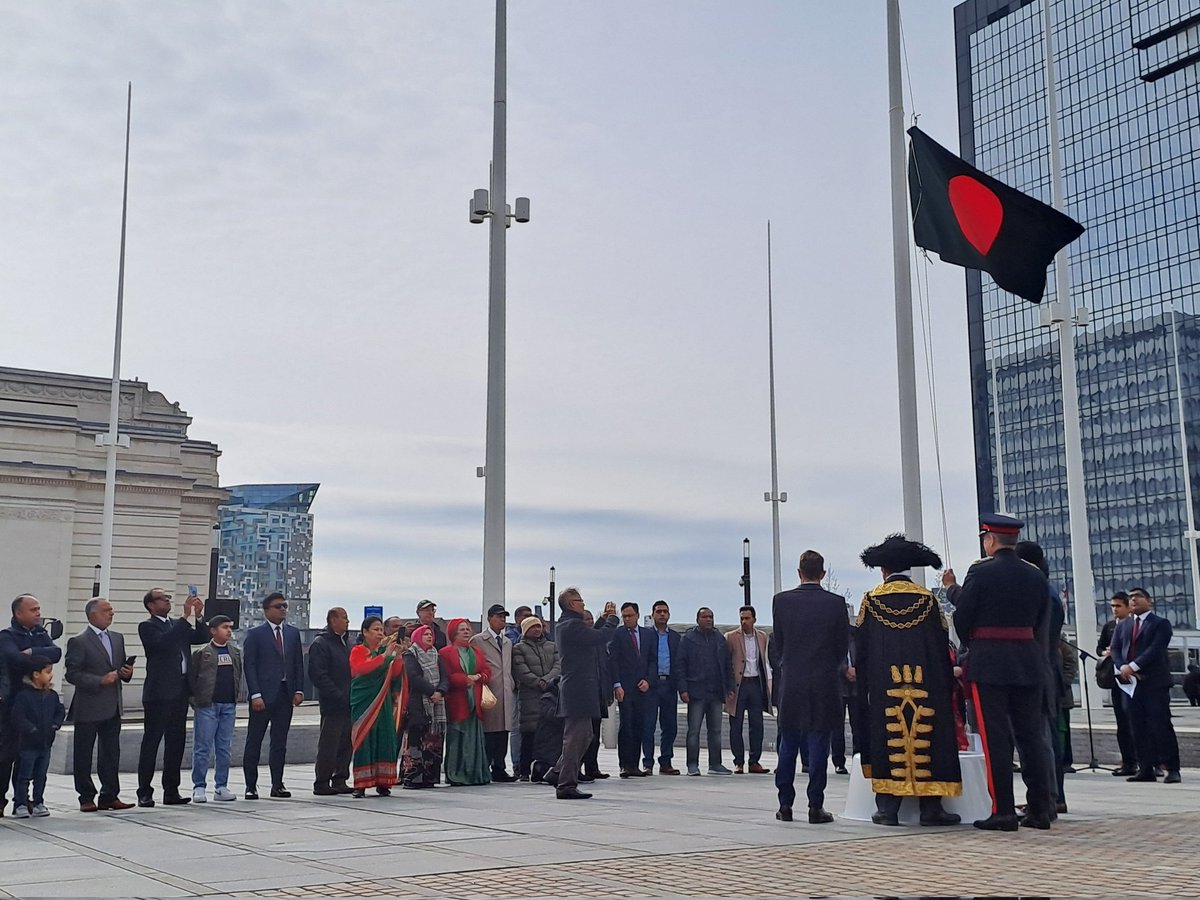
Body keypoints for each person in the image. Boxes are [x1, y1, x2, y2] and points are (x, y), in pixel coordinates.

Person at [952, 514, 1055, 831]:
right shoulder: (1036, 576)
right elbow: (1041, 619)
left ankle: (1004, 812)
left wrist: (972, 644)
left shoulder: (979, 572)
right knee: (1031, 739)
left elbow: (963, 616)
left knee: (996, 740)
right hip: (1028, 660)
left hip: (990, 662)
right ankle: (1040, 810)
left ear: (990, 541)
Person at [857, 536, 962, 827]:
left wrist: (863, 687)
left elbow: (861, 653)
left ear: (883, 570)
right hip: (925, 684)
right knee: (930, 738)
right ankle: (931, 807)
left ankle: (888, 808)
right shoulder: (927, 600)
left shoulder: (870, 601)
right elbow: (942, 649)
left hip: (884, 687)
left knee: (886, 738)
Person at [770, 550, 848, 825]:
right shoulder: (836, 603)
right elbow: (842, 646)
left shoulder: (781, 601)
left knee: (788, 743)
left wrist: (790, 664)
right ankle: (816, 805)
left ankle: (785, 804)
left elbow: (778, 643)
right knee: (818, 745)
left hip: (792, 681)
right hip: (824, 682)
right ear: (823, 573)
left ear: (799, 572)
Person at [136, 586, 209, 807]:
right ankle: (144, 791)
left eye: (168, 598)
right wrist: (185, 617)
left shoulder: (177, 625)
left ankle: (171, 790)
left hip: (180, 691)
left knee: (175, 743)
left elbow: (201, 636)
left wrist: (198, 616)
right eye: (163, 599)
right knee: (152, 741)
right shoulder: (148, 626)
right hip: (159, 693)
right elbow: (163, 643)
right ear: (151, 605)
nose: (168, 601)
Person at [1014, 539, 1069, 817]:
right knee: (1042, 737)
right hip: (1043, 668)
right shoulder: (1043, 589)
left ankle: (1049, 797)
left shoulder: (1041, 592)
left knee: (1041, 738)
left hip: (1038, 669)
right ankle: (1049, 795)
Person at [64, 598, 134, 813]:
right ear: (93, 614)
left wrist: (126, 673)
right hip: (89, 705)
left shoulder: (117, 638)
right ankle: (86, 796)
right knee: (84, 753)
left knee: (111, 752)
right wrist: (99, 680)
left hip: (112, 705)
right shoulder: (79, 641)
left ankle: (109, 795)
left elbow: (120, 667)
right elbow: (72, 674)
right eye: (106, 611)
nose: (111, 614)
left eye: (112, 610)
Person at [549, 589, 618, 799]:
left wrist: (602, 620)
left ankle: (557, 772)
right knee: (576, 737)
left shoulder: (567, 625)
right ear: (571, 604)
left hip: (578, 688)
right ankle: (566, 784)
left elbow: (591, 637)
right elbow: (600, 637)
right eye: (579, 601)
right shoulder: (572, 625)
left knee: (584, 734)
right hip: (578, 689)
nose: (582, 603)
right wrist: (613, 620)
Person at [1109, 586, 1181, 784]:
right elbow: (1115, 648)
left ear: (1149, 601)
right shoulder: (1123, 625)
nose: (1133, 600)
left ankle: (1172, 768)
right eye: (1131, 597)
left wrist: (1133, 665)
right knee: (1136, 726)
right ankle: (1145, 768)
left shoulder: (1160, 624)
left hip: (1154, 683)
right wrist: (1122, 665)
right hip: (1130, 685)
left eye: (1138, 597)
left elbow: (1155, 649)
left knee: (1160, 725)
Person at [0, 594, 62, 814]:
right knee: (6, 755)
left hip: (37, 702)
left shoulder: (40, 634)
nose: (38, 613)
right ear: (18, 613)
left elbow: (55, 653)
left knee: (26, 757)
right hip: (10, 703)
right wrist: (37, 658)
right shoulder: (7, 636)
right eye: (33, 609)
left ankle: (23, 800)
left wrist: (32, 652)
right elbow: (12, 658)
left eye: (38, 608)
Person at [241, 592, 305, 800]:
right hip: (263, 696)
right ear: (267, 610)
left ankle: (277, 784)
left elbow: (297, 664)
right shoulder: (256, 634)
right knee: (255, 741)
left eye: (285, 606)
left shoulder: (293, 634)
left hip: (285, 695)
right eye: (279, 606)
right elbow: (249, 666)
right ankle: (251, 785)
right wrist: (255, 694)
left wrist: (298, 690)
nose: (283, 609)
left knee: (279, 742)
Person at [349, 616, 407, 797]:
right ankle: (361, 784)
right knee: (364, 739)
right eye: (375, 629)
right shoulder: (358, 650)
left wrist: (396, 656)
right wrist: (385, 656)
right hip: (364, 701)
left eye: (381, 629)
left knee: (385, 738)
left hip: (384, 702)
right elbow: (362, 669)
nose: (380, 633)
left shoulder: (385, 650)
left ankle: (384, 782)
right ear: (365, 632)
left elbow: (396, 673)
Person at [188, 614, 242, 803]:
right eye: (224, 627)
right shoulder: (203, 652)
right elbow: (193, 677)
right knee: (202, 747)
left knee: (224, 748)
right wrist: (195, 700)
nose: (228, 630)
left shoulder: (235, 652)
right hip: (207, 705)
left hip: (228, 705)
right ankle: (199, 786)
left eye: (230, 627)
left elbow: (238, 675)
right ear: (213, 630)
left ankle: (221, 786)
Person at [677, 607, 734, 776]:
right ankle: (692, 765)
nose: (708, 620)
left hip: (716, 692)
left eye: (711, 617)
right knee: (694, 730)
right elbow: (680, 665)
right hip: (696, 692)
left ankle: (715, 764)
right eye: (705, 617)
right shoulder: (688, 639)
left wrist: (729, 687)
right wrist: (683, 689)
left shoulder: (719, 638)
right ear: (697, 619)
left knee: (715, 730)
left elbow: (727, 664)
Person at [8, 656, 64, 818]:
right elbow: (18, 716)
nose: (51, 675)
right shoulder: (23, 696)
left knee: (41, 775)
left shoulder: (52, 695)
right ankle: (20, 803)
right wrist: (31, 729)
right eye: (47, 672)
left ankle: (39, 801)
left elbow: (59, 711)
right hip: (27, 744)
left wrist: (55, 725)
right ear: (36, 674)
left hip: (46, 743)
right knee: (23, 776)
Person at [440, 618, 492, 786]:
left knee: (474, 737)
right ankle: (456, 773)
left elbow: (486, 670)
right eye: (461, 629)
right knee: (457, 737)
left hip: (474, 699)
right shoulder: (446, 652)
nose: (466, 631)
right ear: (454, 633)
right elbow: (446, 675)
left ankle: (475, 773)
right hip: (458, 699)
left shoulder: (475, 651)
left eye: (467, 629)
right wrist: (464, 679)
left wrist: (478, 677)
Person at [308, 607, 354, 796]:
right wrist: (337, 694)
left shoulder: (346, 643)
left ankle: (340, 778)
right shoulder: (321, 643)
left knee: (346, 743)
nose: (347, 621)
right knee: (329, 744)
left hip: (349, 703)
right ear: (333, 620)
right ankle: (322, 781)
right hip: (333, 704)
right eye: (344, 618)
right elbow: (318, 675)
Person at [608, 602, 656, 778]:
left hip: (642, 687)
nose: (627, 619)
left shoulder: (648, 634)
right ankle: (625, 764)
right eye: (624, 616)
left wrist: (648, 680)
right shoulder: (618, 634)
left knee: (639, 725)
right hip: (625, 688)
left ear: (637, 615)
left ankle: (635, 764)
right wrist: (617, 684)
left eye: (630, 615)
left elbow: (652, 660)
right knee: (626, 725)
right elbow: (613, 660)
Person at [470, 604, 516, 781]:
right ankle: (486, 764)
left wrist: (510, 683)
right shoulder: (479, 640)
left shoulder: (507, 642)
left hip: (505, 690)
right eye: (499, 616)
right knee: (489, 730)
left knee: (504, 730)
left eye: (504, 616)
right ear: (489, 618)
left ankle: (500, 766)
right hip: (488, 690)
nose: (502, 620)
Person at [725, 605, 772, 776]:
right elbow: (727, 664)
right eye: (741, 618)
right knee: (735, 724)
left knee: (757, 724)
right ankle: (738, 761)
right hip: (739, 685)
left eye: (747, 618)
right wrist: (728, 686)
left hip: (755, 684)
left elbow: (764, 661)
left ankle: (754, 761)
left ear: (754, 619)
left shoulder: (762, 636)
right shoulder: (731, 637)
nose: (744, 622)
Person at [401, 624, 449, 789]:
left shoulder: (437, 654)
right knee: (416, 740)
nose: (429, 636)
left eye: (431, 634)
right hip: (418, 703)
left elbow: (445, 676)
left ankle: (430, 777)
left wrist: (440, 691)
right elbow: (413, 677)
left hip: (436, 704)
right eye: (425, 634)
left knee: (433, 741)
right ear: (417, 637)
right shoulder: (410, 654)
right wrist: (431, 692)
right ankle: (413, 777)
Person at [511, 617, 559, 781]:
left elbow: (558, 666)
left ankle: (545, 768)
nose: (537, 630)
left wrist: (548, 681)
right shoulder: (519, 648)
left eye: (539, 626)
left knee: (549, 735)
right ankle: (524, 770)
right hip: (530, 695)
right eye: (533, 627)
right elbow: (521, 670)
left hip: (551, 694)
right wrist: (538, 682)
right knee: (529, 734)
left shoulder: (552, 646)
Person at [1098, 591, 1138, 775]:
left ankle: (1149, 761)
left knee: (1139, 721)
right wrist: (1105, 652)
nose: (1114, 610)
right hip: (1116, 680)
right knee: (1122, 723)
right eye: (1112, 606)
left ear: (1128, 607)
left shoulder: (1135, 625)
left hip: (1134, 678)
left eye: (1118, 606)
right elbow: (1101, 647)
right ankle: (1128, 762)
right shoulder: (1109, 627)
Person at [643, 600, 681, 775]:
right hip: (651, 685)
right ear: (652, 615)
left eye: (665, 611)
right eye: (658, 611)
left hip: (669, 685)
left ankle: (666, 761)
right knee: (648, 725)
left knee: (670, 725)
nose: (662, 614)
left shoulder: (675, 637)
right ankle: (648, 763)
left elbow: (680, 663)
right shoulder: (646, 635)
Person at [578, 609, 613, 782]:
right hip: (585, 695)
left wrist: (608, 692)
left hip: (599, 693)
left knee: (595, 736)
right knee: (584, 735)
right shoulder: (582, 640)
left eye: (591, 618)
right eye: (586, 619)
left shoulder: (599, 643)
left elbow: (605, 669)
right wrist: (605, 619)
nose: (589, 622)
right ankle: (577, 767)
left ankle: (592, 766)